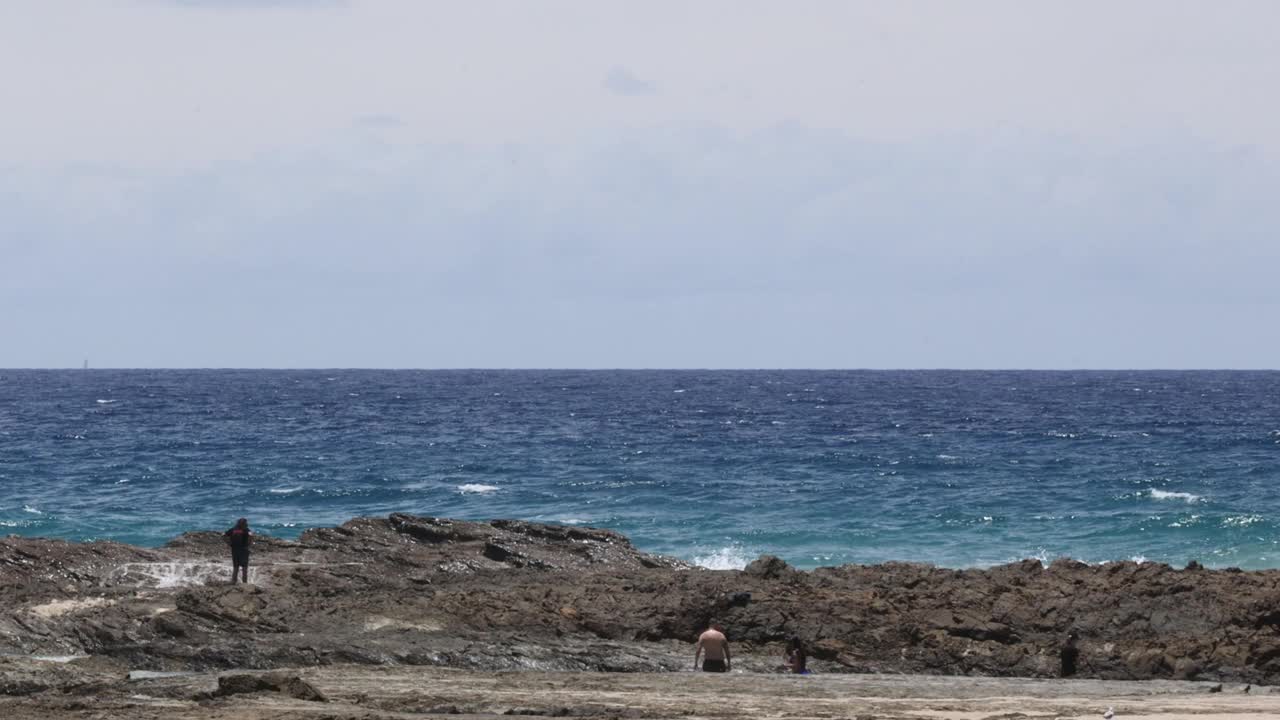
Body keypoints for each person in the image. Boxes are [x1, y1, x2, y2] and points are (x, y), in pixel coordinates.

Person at [224, 518, 252, 584]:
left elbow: (223, 535)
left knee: (236, 568)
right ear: (243, 524)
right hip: (243, 550)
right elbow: (251, 535)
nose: (247, 524)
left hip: (234, 550)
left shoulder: (233, 530)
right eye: (246, 523)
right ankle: (244, 583)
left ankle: (234, 581)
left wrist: (229, 543)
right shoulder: (246, 530)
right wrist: (249, 544)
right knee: (244, 568)